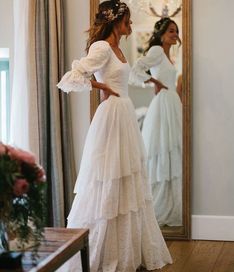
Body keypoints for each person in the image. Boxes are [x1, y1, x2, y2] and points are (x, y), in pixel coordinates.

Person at [57, 1, 172, 271]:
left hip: (125, 115)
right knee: (107, 177)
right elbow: (70, 77)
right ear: (115, 21)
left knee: (127, 179)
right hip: (110, 118)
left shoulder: (118, 48)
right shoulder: (101, 47)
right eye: (128, 22)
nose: (130, 26)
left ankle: (129, 251)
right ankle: (99, 252)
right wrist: (98, 84)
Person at [129, 17, 182, 227]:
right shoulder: (157, 51)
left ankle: (173, 200)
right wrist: (152, 80)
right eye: (171, 30)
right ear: (161, 33)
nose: (174, 34)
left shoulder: (170, 55)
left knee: (173, 150)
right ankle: (158, 205)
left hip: (172, 102)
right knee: (162, 149)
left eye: (176, 31)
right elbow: (135, 70)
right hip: (163, 105)